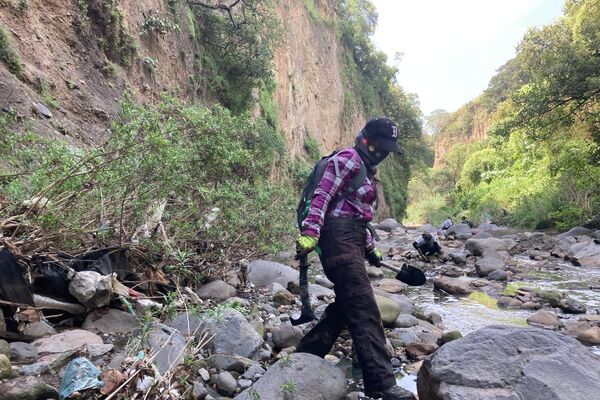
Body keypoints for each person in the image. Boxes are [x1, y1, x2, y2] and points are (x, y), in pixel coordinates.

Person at [295, 117, 415, 400]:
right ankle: (381, 383)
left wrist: (371, 247)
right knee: (364, 308)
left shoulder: (366, 169)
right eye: (381, 146)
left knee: (350, 302)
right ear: (367, 140)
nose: (384, 152)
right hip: (337, 240)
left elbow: (357, 212)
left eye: (388, 148)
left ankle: (308, 351)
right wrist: (310, 232)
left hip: (352, 239)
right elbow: (323, 195)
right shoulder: (348, 159)